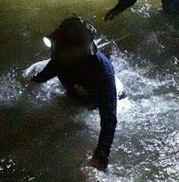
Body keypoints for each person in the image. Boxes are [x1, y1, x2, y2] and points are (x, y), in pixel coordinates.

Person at [31, 16, 117, 171]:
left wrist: (101, 153)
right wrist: (34, 82)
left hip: (93, 100)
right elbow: (47, 72)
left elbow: (109, 118)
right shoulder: (59, 56)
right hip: (74, 90)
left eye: (67, 48)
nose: (61, 50)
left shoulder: (102, 72)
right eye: (60, 45)